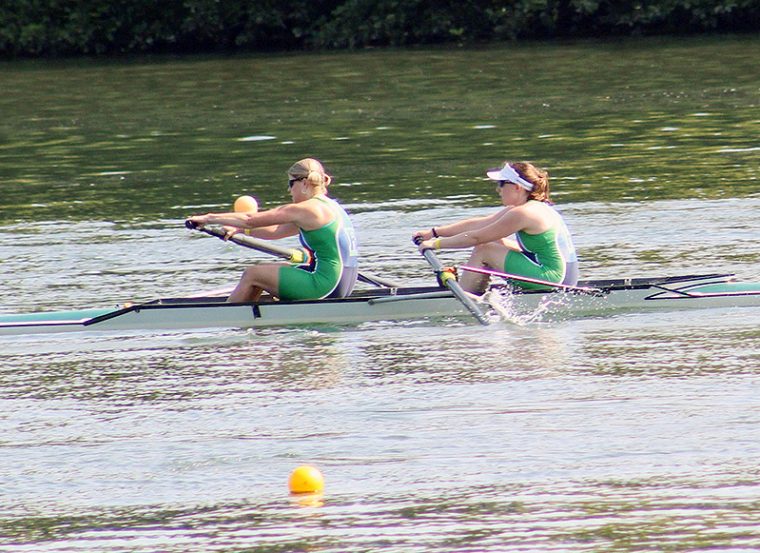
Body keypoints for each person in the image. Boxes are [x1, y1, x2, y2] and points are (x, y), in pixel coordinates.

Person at [188, 158, 359, 302]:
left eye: (290, 183)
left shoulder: (307, 208)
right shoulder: (331, 207)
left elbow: (250, 220)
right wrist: (239, 231)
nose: (289, 190)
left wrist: (207, 218)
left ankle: (227, 320)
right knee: (270, 273)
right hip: (344, 282)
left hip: (326, 285)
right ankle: (254, 319)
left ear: (304, 183)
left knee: (252, 274)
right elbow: (276, 231)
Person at [414, 161, 578, 294]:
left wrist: (435, 245)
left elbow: (476, 237)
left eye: (501, 183)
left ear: (517, 187)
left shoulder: (523, 213)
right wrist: (434, 233)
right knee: (496, 241)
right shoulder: (528, 207)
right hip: (559, 272)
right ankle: (472, 290)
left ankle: (462, 299)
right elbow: (479, 224)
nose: (498, 189)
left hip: (553, 277)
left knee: (484, 248)